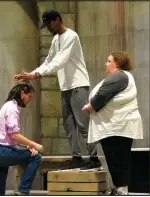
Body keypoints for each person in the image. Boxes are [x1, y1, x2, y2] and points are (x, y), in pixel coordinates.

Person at [14, 8, 102, 171]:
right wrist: (32, 73)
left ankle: (94, 158)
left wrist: (37, 74)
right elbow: (49, 60)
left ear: (57, 20)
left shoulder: (72, 36)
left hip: (78, 84)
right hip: (66, 86)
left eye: (49, 23)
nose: (48, 27)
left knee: (82, 123)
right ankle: (77, 157)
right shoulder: (56, 40)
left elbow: (60, 61)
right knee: (68, 124)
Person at [82, 51, 143, 195]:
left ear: (118, 63)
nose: (106, 63)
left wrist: (91, 106)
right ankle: (119, 186)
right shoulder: (121, 77)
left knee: (118, 158)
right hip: (115, 126)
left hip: (118, 126)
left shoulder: (120, 76)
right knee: (115, 158)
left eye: (109, 61)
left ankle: (122, 188)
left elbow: (103, 94)